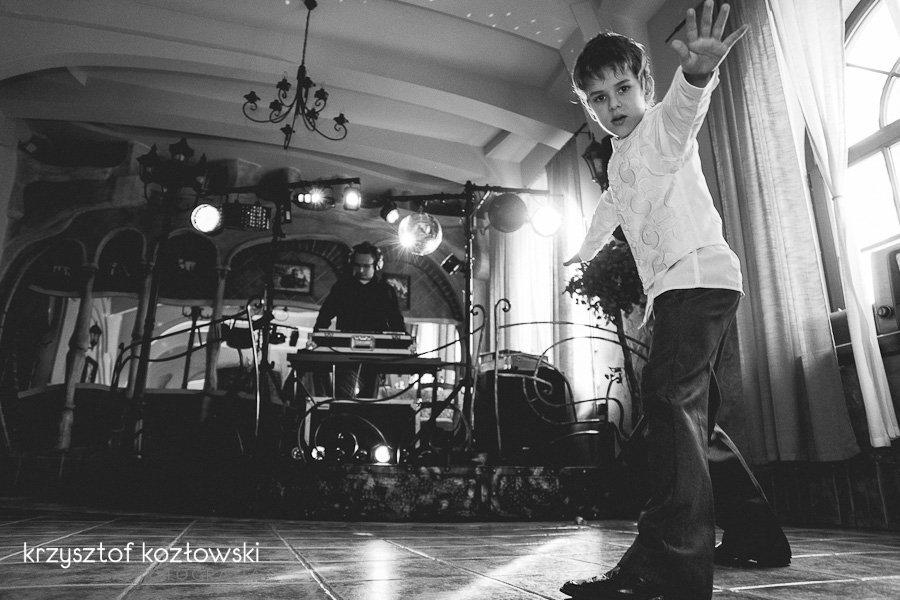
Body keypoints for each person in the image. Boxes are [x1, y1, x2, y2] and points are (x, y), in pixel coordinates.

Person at [560, 3, 790, 599]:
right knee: (692, 418)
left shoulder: (662, 126)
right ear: (588, 107)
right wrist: (582, 252)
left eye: (623, 88)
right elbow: (610, 207)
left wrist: (699, 73)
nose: (614, 104)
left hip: (698, 278)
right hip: (684, 288)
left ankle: (665, 566)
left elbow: (688, 108)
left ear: (645, 85)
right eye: (599, 98)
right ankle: (757, 535)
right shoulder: (618, 157)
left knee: (668, 405)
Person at [313, 241, 406, 397]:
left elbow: (396, 321)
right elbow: (325, 315)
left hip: (375, 354)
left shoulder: (386, 291)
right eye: (357, 265)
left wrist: (402, 347)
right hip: (345, 352)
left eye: (366, 266)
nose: (361, 270)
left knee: (368, 400)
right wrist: (317, 338)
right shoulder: (342, 287)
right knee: (342, 398)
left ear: (377, 265)